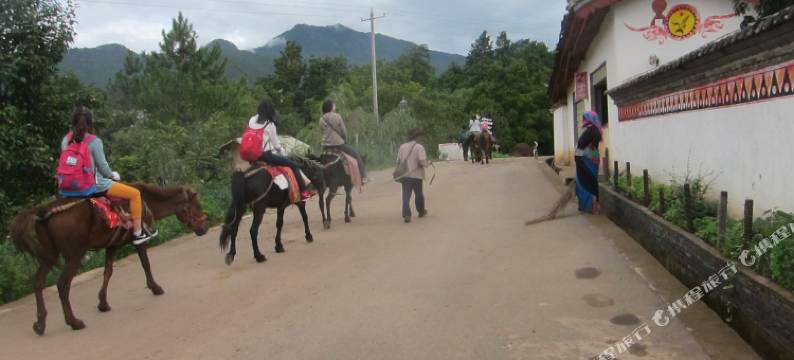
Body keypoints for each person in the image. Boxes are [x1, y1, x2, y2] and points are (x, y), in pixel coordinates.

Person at [59, 107, 157, 245]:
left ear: (73, 123)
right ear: (90, 123)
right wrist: (113, 175)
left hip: (67, 187)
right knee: (134, 194)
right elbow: (103, 168)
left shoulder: (66, 140)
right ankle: (137, 233)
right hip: (93, 185)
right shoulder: (94, 142)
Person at [249, 99, 313, 201]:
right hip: (266, 156)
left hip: (253, 155)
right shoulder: (270, 124)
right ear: (270, 110)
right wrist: (284, 155)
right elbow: (276, 145)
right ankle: (304, 192)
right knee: (294, 165)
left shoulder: (252, 120)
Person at [319, 100, 368, 181]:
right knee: (356, 155)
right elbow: (344, 131)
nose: (335, 106)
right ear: (331, 107)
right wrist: (345, 140)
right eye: (334, 105)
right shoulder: (337, 116)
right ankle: (363, 176)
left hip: (325, 146)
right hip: (338, 144)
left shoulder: (321, 119)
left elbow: (322, 132)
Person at [396, 128, 429, 223]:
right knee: (418, 194)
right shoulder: (419, 147)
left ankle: (407, 214)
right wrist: (428, 163)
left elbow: (398, 161)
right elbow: (422, 161)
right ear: (417, 136)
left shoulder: (402, 147)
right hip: (416, 175)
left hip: (405, 175)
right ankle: (421, 211)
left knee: (406, 196)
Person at [575, 111, 603, 214]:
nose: (583, 120)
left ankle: (590, 206)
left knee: (587, 182)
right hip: (584, 159)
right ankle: (587, 206)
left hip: (586, 160)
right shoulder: (591, 129)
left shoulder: (594, 130)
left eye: (585, 118)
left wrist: (589, 149)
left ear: (590, 119)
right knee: (584, 182)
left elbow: (594, 142)